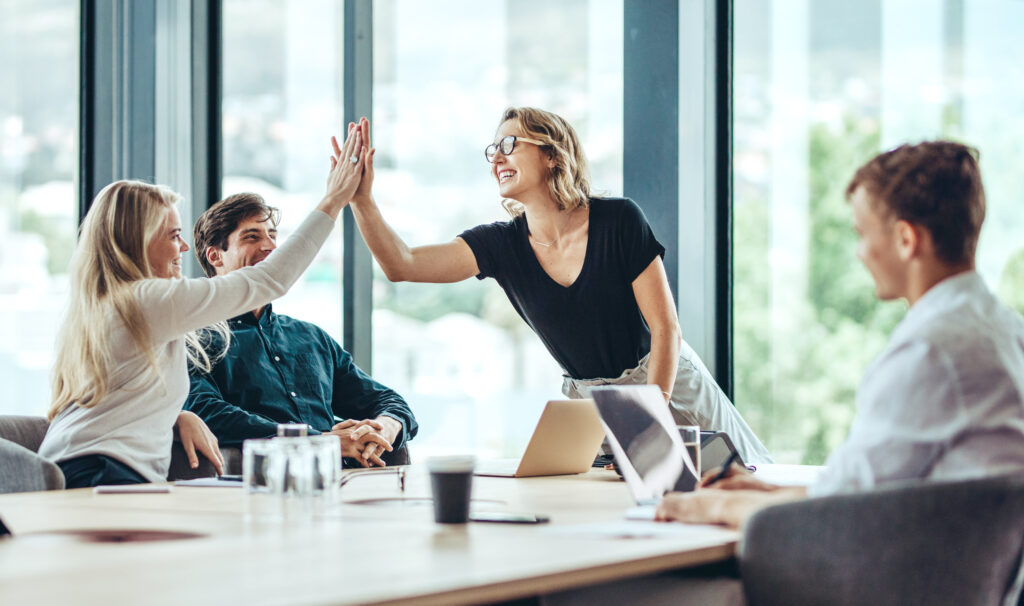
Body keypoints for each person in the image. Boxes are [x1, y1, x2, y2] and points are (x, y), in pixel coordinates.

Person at [344, 107, 772, 464]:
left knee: (743, 481)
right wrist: (361, 200)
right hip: (590, 405)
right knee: (619, 513)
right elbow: (402, 264)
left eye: (510, 144)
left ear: (552, 154)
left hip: (666, 381)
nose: (497, 158)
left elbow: (666, 330)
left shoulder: (619, 220)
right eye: (493, 150)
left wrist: (647, 414)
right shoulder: (500, 245)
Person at [656, 141, 1024, 528]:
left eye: (863, 234)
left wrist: (713, 507)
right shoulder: (1004, 330)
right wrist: (763, 491)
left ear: (905, 240)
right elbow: (860, 488)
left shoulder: (931, 349)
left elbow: (841, 512)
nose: (860, 253)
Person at [38, 125, 368, 488]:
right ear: (138, 241)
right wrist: (333, 200)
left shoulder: (111, 304)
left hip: (79, 466)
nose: (183, 248)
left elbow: (118, 397)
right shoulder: (145, 300)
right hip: (100, 472)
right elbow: (269, 280)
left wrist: (177, 416)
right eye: (172, 235)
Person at [185, 193, 418, 467]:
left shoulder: (311, 337)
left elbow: (388, 400)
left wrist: (383, 428)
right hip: (263, 485)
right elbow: (205, 412)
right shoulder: (194, 339)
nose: (270, 246)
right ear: (215, 256)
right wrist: (317, 440)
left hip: (346, 485)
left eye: (272, 235)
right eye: (252, 237)